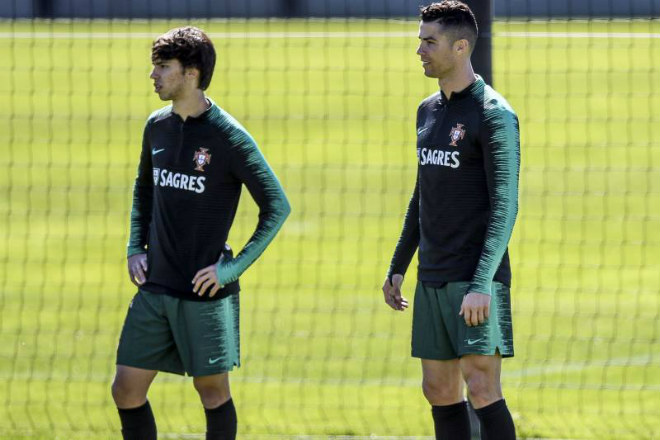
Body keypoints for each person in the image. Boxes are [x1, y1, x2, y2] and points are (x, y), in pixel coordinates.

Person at [111, 26, 291, 440]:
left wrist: (231, 270)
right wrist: (135, 246)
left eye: (163, 67)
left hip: (204, 291)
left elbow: (277, 206)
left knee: (211, 392)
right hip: (155, 284)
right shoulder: (156, 126)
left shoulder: (228, 136)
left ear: (191, 73)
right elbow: (143, 189)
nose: (153, 75)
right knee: (125, 389)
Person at [382, 2, 520, 439]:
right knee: (439, 390)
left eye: (430, 42)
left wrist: (482, 283)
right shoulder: (427, 111)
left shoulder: (494, 114)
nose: (419, 50)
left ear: (460, 47)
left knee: (481, 387)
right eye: (420, 40)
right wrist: (399, 264)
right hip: (432, 275)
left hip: (474, 277)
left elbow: (505, 206)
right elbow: (422, 194)